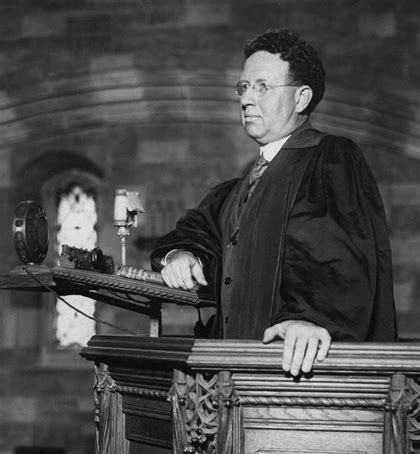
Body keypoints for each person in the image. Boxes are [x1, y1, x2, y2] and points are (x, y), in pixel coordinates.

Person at [151, 28, 397, 376]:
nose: (247, 99)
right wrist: (182, 255)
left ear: (301, 98)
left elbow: (336, 257)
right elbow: (199, 232)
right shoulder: (238, 189)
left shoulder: (330, 159)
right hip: (233, 374)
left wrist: (308, 319)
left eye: (263, 87)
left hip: (296, 371)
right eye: (244, 87)